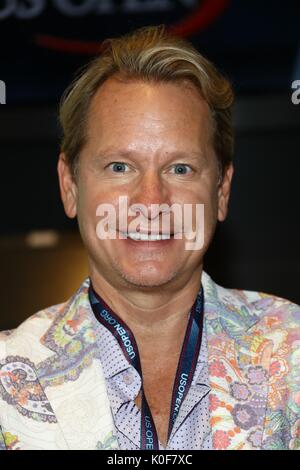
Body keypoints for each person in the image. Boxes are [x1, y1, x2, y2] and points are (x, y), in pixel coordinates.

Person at [0, 25, 299, 451]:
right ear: (70, 186)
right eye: (120, 166)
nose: (151, 200)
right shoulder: (8, 381)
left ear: (221, 191)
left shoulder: (293, 353)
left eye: (181, 168)